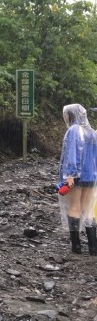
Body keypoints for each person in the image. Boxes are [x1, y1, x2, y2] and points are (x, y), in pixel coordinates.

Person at [57, 103, 97, 255]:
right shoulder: (91, 132)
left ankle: (77, 247)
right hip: (91, 176)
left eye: (66, 113)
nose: (65, 116)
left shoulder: (74, 130)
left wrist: (70, 175)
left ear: (71, 115)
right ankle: (93, 248)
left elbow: (73, 154)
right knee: (88, 210)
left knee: (74, 207)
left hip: (77, 177)